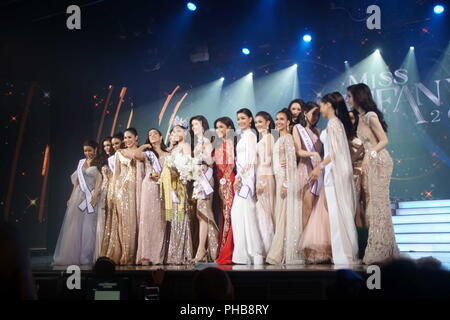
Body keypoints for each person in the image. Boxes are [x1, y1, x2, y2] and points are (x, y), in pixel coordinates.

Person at [347, 83, 399, 264]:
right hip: (372, 161)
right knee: (375, 204)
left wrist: (371, 155)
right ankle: (383, 247)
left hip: (380, 161)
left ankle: (381, 248)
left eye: (350, 96)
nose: (348, 99)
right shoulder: (361, 117)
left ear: (359, 96)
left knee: (379, 204)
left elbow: (385, 140)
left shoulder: (370, 116)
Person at [310, 92, 359, 265]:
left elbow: (335, 152)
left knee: (338, 214)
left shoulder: (333, 124)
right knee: (339, 213)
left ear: (329, 105)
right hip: (334, 171)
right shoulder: (335, 124)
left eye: (321, 105)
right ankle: (344, 253)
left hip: (334, 172)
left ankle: (343, 255)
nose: (320, 109)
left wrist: (320, 166)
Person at [53, 140, 103, 265]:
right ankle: (72, 255)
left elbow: (99, 180)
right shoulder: (81, 162)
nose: (87, 153)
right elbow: (76, 183)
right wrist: (70, 197)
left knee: (88, 226)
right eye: (85, 150)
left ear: (95, 149)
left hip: (90, 196)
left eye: (89, 150)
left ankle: (86, 256)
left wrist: (96, 194)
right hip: (78, 196)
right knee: (74, 226)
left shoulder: (99, 162)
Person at [266, 109, 302, 265]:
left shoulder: (287, 138)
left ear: (289, 122)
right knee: (281, 215)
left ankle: (283, 251)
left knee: (284, 215)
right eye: (277, 118)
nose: (278, 121)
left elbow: (291, 163)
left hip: (284, 182)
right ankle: (281, 250)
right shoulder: (279, 138)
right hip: (278, 179)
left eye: (282, 119)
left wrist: (286, 183)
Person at [298, 103, 332, 264]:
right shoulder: (297, 128)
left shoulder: (318, 131)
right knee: (307, 209)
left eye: (318, 114)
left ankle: (320, 250)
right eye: (313, 114)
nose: (315, 117)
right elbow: (298, 150)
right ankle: (306, 252)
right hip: (305, 170)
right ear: (305, 113)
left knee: (319, 212)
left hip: (319, 172)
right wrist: (312, 153)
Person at [230, 108, 264, 265]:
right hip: (241, 178)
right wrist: (238, 176)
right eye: (238, 118)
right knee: (238, 215)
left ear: (250, 119)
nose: (240, 121)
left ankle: (253, 252)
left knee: (246, 215)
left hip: (247, 180)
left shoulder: (250, 136)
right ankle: (243, 254)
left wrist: (241, 177)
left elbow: (252, 160)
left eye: (243, 118)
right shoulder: (243, 136)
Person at [161, 118, 194, 264]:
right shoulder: (172, 148)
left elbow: (188, 165)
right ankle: (172, 252)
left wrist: (177, 171)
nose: (176, 133)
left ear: (186, 133)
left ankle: (180, 252)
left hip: (179, 185)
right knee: (172, 217)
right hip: (170, 186)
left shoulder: (185, 146)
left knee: (180, 216)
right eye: (174, 131)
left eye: (179, 130)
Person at [134, 129, 169, 265]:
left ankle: (157, 256)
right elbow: (136, 155)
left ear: (161, 137)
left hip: (162, 187)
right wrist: (144, 146)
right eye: (149, 134)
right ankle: (145, 255)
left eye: (155, 134)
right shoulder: (148, 153)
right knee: (147, 219)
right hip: (149, 187)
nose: (152, 136)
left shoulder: (167, 154)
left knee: (159, 220)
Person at [190, 115, 219, 263]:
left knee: (205, 214)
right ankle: (204, 249)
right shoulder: (197, 142)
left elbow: (210, 161)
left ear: (203, 125)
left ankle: (203, 249)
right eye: (192, 125)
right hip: (199, 180)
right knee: (201, 215)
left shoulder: (206, 140)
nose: (193, 127)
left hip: (206, 179)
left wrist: (201, 155)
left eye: (195, 124)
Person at [214, 117, 236, 265]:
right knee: (224, 215)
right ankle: (223, 248)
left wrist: (225, 180)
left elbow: (230, 164)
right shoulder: (218, 143)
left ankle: (228, 250)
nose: (218, 130)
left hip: (228, 181)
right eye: (217, 127)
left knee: (228, 215)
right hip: (220, 181)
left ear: (228, 128)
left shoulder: (230, 143)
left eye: (221, 127)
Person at [254, 111, 275, 256]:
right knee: (262, 212)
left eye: (260, 121)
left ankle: (269, 248)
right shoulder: (261, 139)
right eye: (256, 122)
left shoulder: (269, 137)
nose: (258, 125)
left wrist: (261, 180)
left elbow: (268, 160)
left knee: (266, 212)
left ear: (268, 122)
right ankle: (266, 248)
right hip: (260, 174)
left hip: (265, 176)